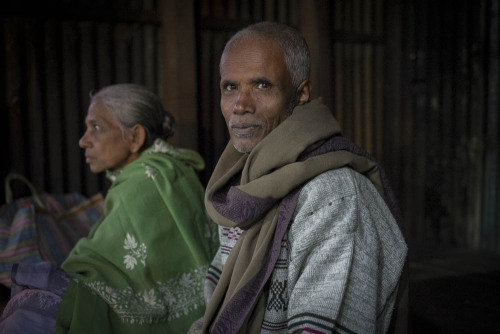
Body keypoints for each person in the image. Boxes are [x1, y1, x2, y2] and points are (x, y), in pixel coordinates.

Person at [196, 22, 408, 334]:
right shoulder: (244, 186)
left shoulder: (335, 196)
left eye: (262, 86)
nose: (240, 105)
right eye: (230, 87)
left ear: (301, 93)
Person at [0, 83, 218, 333]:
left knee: (26, 312)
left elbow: (103, 262)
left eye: (96, 127)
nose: (83, 141)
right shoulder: (171, 167)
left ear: (135, 137)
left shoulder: (142, 183)